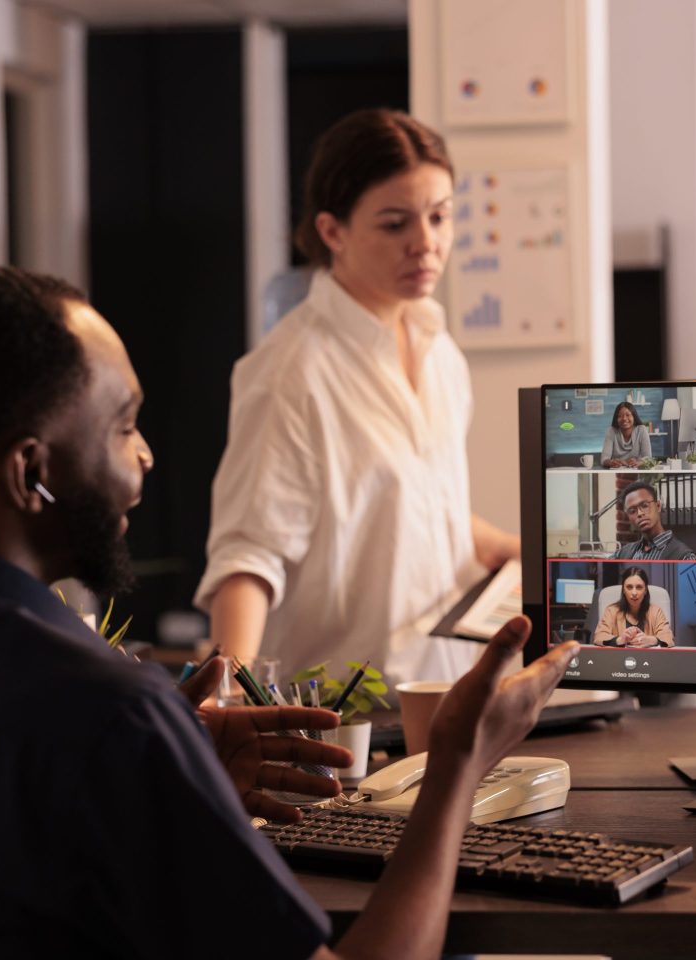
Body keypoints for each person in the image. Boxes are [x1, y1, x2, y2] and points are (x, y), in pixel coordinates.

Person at [0, 265, 578, 960]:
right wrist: (459, 762)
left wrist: (181, 796)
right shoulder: (110, 719)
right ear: (32, 474)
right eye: (123, 426)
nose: (145, 456)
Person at [194, 109, 519, 689]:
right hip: (344, 719)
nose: (427, 243)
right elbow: (250, 552)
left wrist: (514, 551)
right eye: (395, 224)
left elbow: (409, 502)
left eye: (440, 217)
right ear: (332, 231)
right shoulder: (289, 372)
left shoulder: (439, 348)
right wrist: (224, 707)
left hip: (444, 695)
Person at [611, 480, 696, 561]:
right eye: (632, 511)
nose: (640, 513)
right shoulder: (624, 553)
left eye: (645, 506)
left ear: (658, 506)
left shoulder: (684, 556)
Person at [593, 566, 674, 647]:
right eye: (629, 587)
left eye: (639, 587)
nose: (634, 593)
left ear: (645, 590)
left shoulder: (656, 611)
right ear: (623, 590)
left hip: (648, 658)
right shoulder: (611, 611)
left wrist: (651, 640)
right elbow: (599, 636)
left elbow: (668, 638)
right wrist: (620, 640)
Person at [601, 400, 651, 468]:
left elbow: (648, 458)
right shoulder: (611, 431)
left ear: (634, 417)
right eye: (620, 416)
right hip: (616, 470)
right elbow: (604, 459)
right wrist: (611, 462)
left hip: (635, 470)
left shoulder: (642, 430)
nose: (624, 418)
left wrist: (639, 462)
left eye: (628, 415)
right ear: (616, 419)